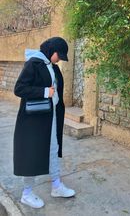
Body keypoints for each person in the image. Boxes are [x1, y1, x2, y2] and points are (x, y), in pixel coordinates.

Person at [13, 37, 75, 209]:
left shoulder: (51, 65)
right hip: (34, 119)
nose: (59, 59)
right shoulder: (34, 63)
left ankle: (56, 186)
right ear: (51, 50)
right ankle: (27, 194)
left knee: (53, 150)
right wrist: (44, 91)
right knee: (32, 153)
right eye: (59, 55)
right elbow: (19, 89)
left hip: (51, 116)